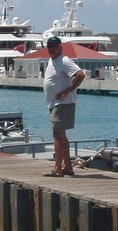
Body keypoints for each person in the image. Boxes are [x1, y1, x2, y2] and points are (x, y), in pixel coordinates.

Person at [42, 36, 85, 177]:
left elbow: (80, 75)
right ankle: (68, 167)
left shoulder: (65, 60)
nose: (51, 49)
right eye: (49, 46)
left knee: (57, 134)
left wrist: (67, 91)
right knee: (61, 135)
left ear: (60, 47)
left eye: (54, 46)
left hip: (62, 104)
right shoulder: (52, 60)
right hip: (55, 103)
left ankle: (57, 168)